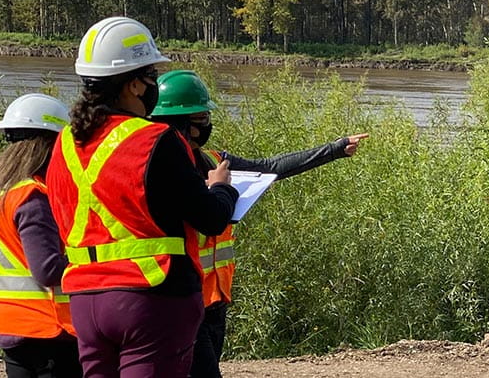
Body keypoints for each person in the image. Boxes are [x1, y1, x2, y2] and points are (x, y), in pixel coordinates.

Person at [44, 17, 239, 378]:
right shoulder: (155, 140)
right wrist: (222, 187)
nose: (154, 85)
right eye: (150, 76)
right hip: (151, 296)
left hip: (86, 300)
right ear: (133, 84)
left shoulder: (65, 144)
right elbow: (210, 218)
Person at [147, 69, 367, 378]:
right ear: (179, 123)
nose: (208, 124)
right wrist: (216, 192)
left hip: (216, 300)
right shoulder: (161, 173)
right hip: (184, 298)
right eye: (202, 118)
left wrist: (334, 149)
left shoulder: (214, 160)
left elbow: (270, 167)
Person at [0, 93, 80, 378]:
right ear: (52, 145)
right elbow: (48, 269)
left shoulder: (0, 192)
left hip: (12, 326)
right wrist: (99, 264)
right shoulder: (32, 197)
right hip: (46, 331)